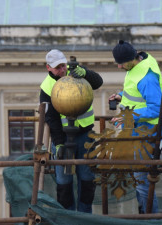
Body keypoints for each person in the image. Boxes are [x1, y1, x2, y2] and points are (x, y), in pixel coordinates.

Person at [40, 49, 103, 213]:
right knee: (64, 183)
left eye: (63, 65)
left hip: (85, 136)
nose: (62, 70)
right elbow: (52, 120)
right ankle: (67, 216)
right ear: (49, 68)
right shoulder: (47, 88)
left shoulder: (76, 73)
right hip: (63, 139)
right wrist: (59, 144)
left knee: (88, 179)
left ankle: (84, 215)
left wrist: (86, 73)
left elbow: (98, 82)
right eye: (57, 68)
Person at [109, 40, 162, 214]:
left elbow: (155, 108)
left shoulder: (147, 78)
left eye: (121, 63)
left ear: (132, 59)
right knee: (139, 178)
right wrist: (120, 96)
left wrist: (127, 116)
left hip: (147, 131)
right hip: (138, 129)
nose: (119, 67)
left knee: (142, 182)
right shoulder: (139, 65)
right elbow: (135, 92)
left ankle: (150, 219)